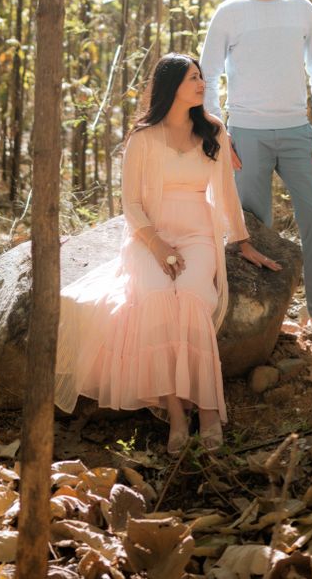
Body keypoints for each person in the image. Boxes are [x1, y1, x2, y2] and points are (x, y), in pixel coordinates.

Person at [54, 52, 280, 452]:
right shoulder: (142, 138)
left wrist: (242, 242)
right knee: (156, 298)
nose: (202, 84)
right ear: (171, 85)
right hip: (149, 237)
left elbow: (227, 193)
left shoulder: (213, 131)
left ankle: (208, 410)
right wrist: (156, 245)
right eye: (193, 77)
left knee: (193, 297)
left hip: (198, 237)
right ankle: (177, 415)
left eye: (201, 77)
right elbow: (131, 203)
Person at [198, 0, 312, 342]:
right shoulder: (229, 12)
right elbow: (207, 75)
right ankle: (257, 322)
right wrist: (219, 129)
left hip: (298, 132)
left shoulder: (301, 8)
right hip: (246, 134)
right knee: (253, 227)